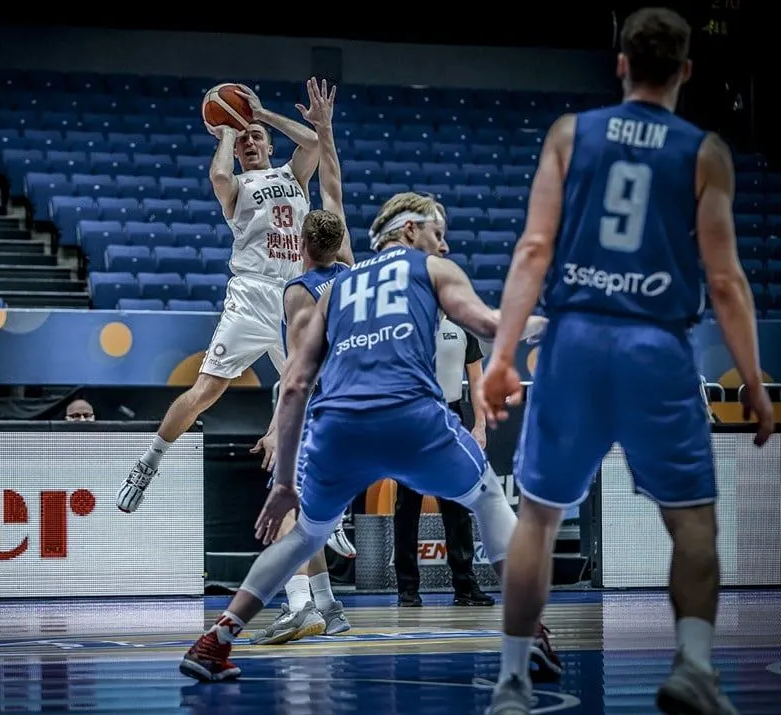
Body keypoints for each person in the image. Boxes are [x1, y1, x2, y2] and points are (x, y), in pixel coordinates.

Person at [476, 8, 774, 714]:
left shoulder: (570, 134)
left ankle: (513, 681)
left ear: (620, 64)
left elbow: (533, 250)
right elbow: (726, 281)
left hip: (574, 341)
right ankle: (693, 665)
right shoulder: (705, 152)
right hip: (656, 346)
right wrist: (754, 382)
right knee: (692, 523)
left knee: (538, 518)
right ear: (686, 71)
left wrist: (502, 354)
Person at [178, 191, 556, 683]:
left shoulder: (336, 288)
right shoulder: (433, 269)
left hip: (339, 428)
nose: (443, 245)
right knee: (487, 499)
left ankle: (216, 641)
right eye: (437, 233)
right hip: (410, 416)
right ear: (409, 230)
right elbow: (488, 325)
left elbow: (294, 385)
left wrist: (285, 483)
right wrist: (550, 325)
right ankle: (529, 634)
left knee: (306, 535)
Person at [117, 86, 321, 513]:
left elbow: (314, 141)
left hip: (294, 296)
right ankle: (148, 462)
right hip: (252, 294)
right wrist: (229, 130)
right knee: (207, 390)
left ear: (269, 145)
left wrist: (261, 115)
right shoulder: (237, 185)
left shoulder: (293, 176)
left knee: (314, 395)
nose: (250, 144)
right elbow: (219, 177)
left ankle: (320, 505)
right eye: (243, 141)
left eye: (256, 138)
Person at [247, 78, 356, 646]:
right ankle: (329, 606)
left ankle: (300, 605)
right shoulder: (354, 271)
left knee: (284, 500)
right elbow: (332, 183)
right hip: (357, 393)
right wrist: (325, 130)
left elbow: (295, 373)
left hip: (317, 399)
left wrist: (275, 426)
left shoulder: (299, 290)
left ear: (302, 246)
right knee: (308, 503)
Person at [394, 309, 494, 608]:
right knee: (407, 506)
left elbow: (476, 380)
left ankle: (465, 586)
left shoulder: (463, 325)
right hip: (411, 416)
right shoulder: (403, 324)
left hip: (452, 416)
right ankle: (407, 589)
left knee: (457, 505)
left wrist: (480, 425)